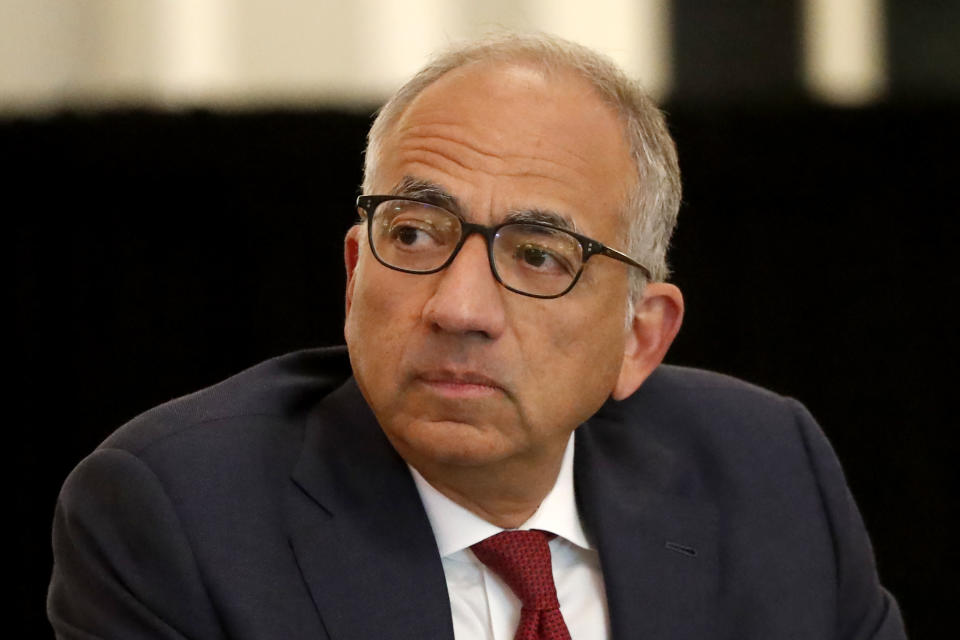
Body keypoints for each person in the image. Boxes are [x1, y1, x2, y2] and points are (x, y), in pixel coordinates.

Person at [48, 33, 906, 640]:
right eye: (415, 234)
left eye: (538, 256)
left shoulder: (767, 470)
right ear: (356, 272)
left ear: (641, 338)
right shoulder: (178, 516)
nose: (460, 308)